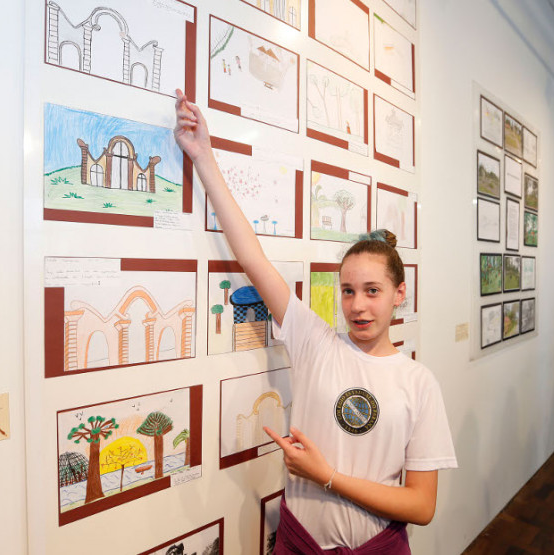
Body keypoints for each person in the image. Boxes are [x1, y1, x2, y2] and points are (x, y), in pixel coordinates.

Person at [173, 90, 457, 553]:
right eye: (348, 291)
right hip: (299, 543)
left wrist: (327, 476)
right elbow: (252, 258)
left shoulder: (418, 383)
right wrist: (203, 156)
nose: (358, 306)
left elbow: (421, 506)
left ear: (399, 294)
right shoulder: (315, 341)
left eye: (373, 291)